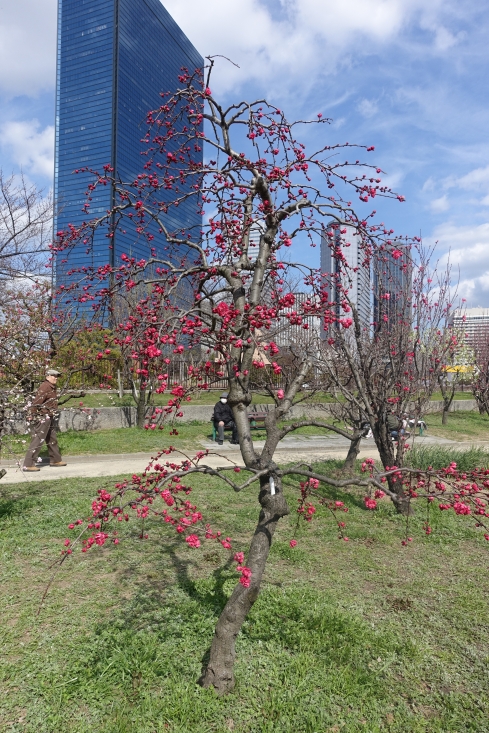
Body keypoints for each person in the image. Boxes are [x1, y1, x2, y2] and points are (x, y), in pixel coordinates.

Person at [23, 369, 67, 471]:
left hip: (50, 416)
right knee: (38, 440)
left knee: (52, 439)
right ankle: (28, 464)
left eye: (56, 376)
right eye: (53, 376)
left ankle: (55, 460)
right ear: (47, 376)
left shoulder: (52, 387)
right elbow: (37, 401)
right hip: (43, 416)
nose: (55, 378)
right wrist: (31, 413)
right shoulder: (45, 386)